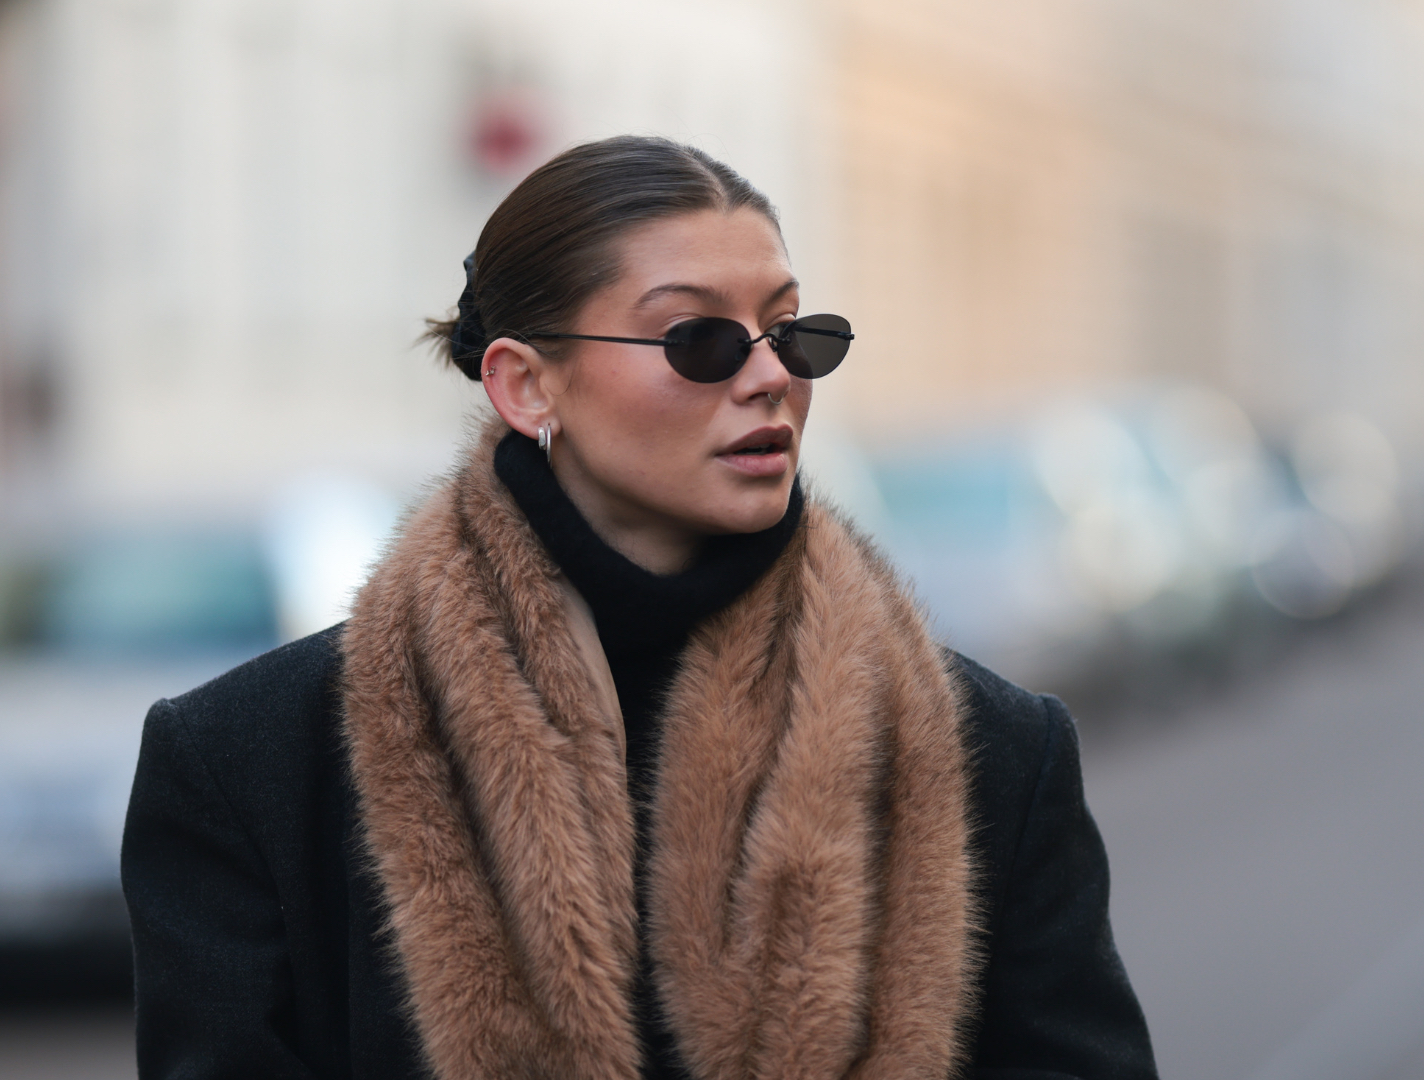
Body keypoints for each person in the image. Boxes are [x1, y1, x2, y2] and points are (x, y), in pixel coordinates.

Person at [122, 135, 1157, 1080]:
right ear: (528, 387)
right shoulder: (247, 763)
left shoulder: (994, 753)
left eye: (793, 334)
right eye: (698, 340)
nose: (768, 378)